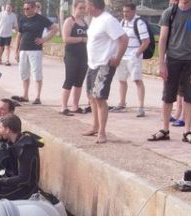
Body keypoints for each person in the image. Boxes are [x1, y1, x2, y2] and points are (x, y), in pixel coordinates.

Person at [148, 0, 191, 145]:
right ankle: (164, 129)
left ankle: (187, 131)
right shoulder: (169, 13)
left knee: (190, 97)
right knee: (168, 95)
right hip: (172, 60)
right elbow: (162, 40)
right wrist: (161, 63)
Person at [82, 0, 128, 144]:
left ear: (94, 6)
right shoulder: (95, 20)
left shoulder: (109, 20)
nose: (85, 7)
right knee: (91, 96)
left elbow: (124, 38)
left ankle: (102, 132)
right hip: (93, 64)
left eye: (87, 5)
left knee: (100, 98)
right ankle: (95, 126)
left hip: (104, 64)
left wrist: (118, 57)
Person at [0, 114, 40, 200]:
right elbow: (11, 171)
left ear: (8, 130)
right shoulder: (13, 142)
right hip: (16, 184)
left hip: (26, 189)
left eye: (1, 128)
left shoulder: (26, 147)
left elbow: (25, 179)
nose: (0, 131)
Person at [13, 1, 58, 104]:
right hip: (23, 49)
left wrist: (44, 39)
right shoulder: (22, 19)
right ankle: (25, 95)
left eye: (28, 8)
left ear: (34, 8)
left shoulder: (40, 19)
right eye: (24, 9)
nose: (25, 11)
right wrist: (16, 51)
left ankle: (37, 97)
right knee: (24, 73)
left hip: (35, 50)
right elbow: (19, 35)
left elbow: (54, 28)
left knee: (36, 73)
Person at [111, 3, 150, 118]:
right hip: (123, 56)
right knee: (122, 80)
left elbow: (146, 41)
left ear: (133, 11)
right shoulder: (122, 22)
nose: (125, 14)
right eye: (124, 12)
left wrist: (137, 53)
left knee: (137, 81)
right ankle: (122, 104)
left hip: (133, 57)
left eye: (127, 12)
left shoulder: (139, 23)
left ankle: (141, 107)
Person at [60, 0, 88, 115]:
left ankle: (75, 106)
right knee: (69, 79)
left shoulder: (84, 22)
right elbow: (65, 39)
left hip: (84, 54)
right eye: (80, 8)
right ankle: (63, 107)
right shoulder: (69, 21)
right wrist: (81, 39)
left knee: (79, 81)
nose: (82, 10)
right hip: (72, 54)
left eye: (84, 8)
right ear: (75, 8)